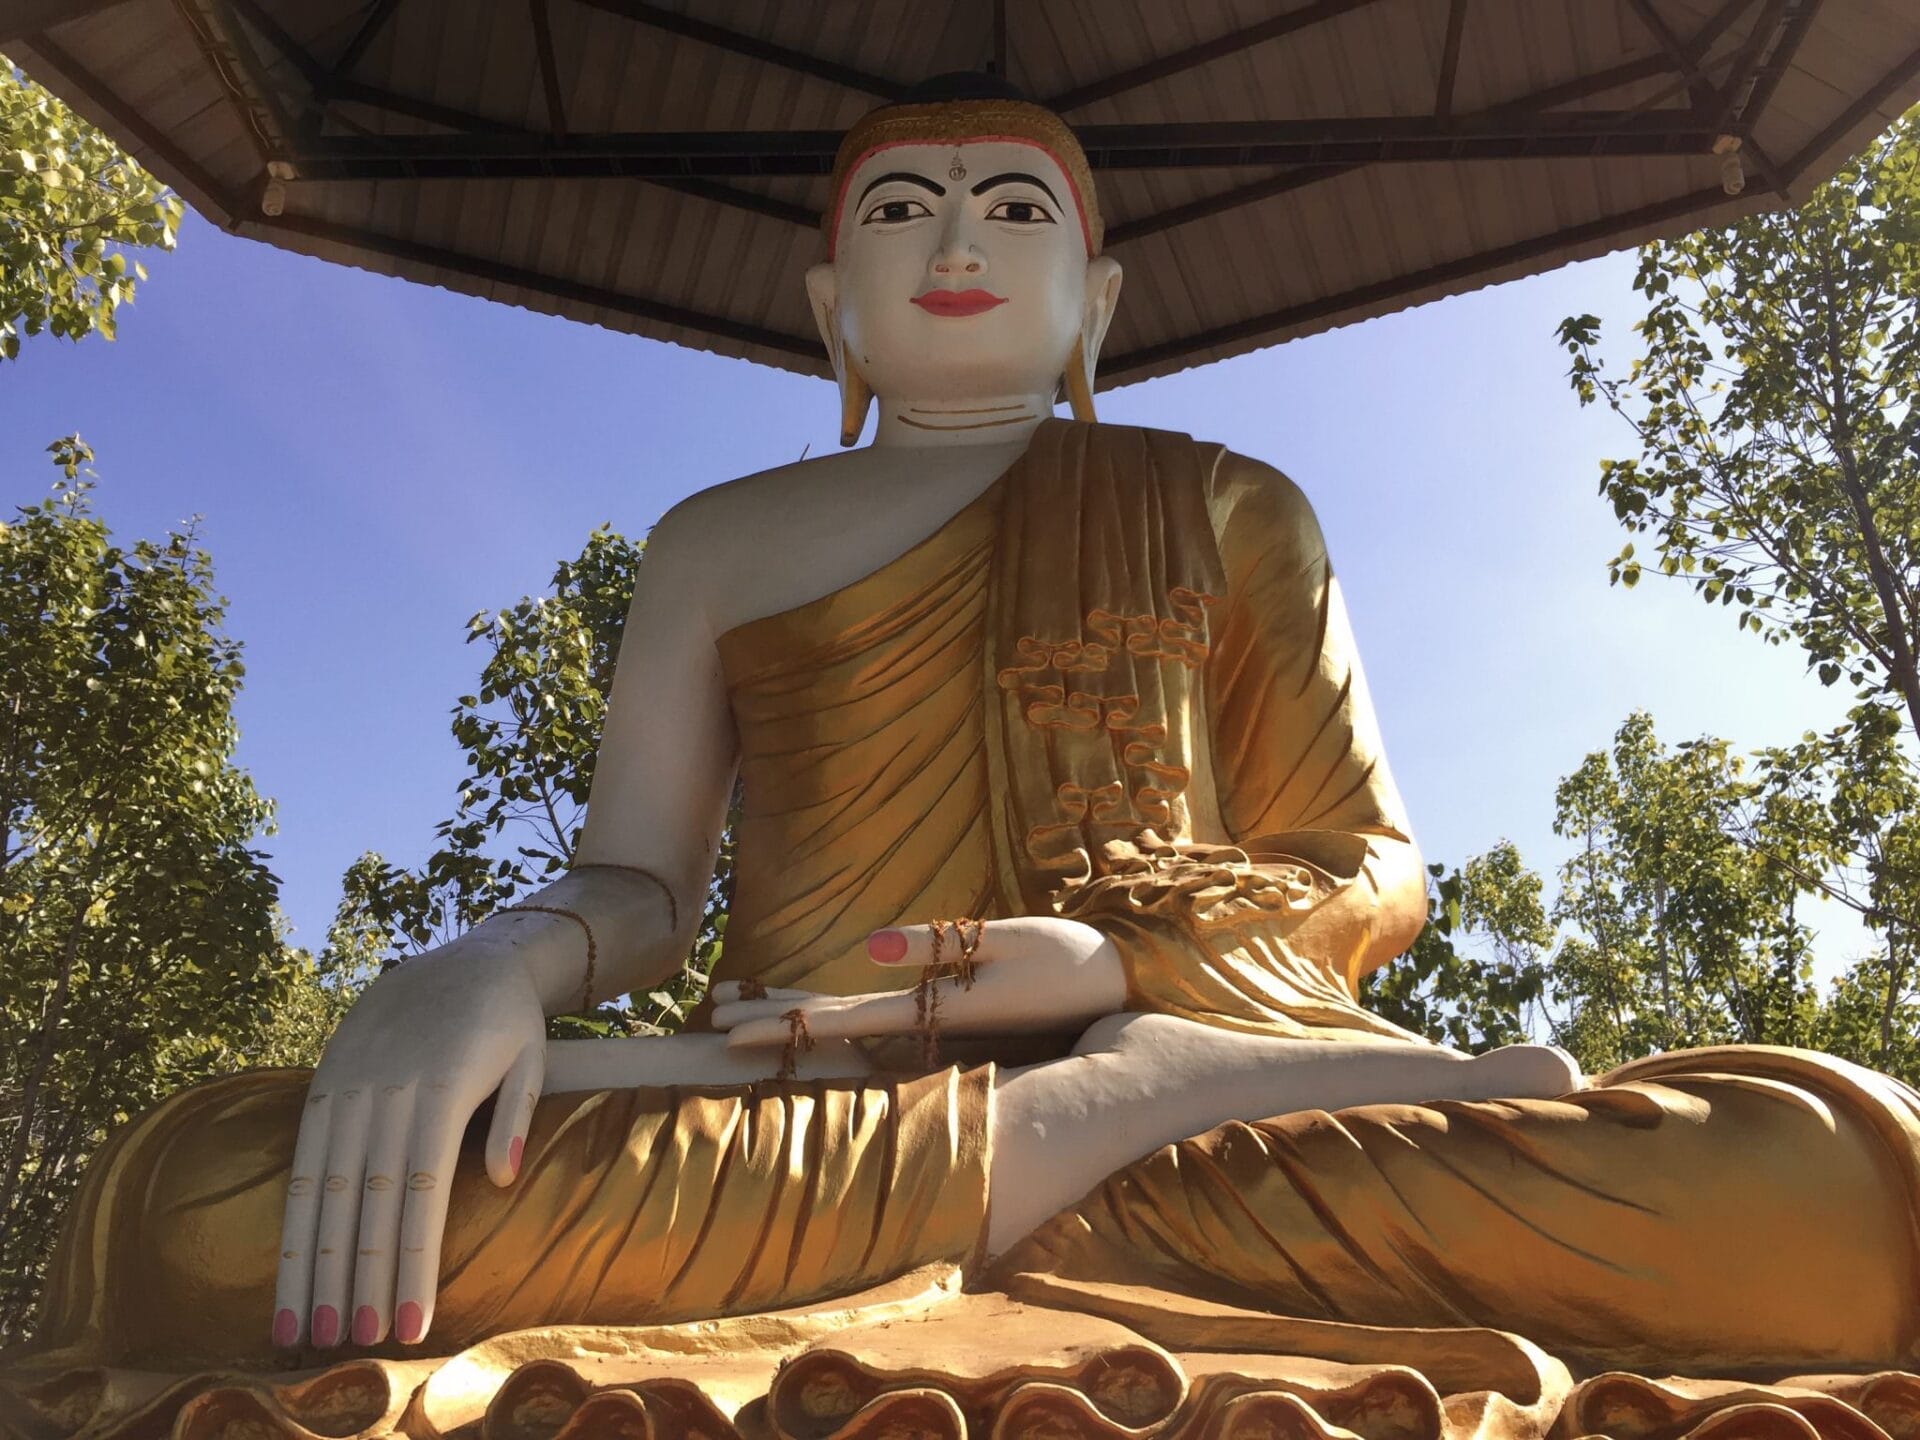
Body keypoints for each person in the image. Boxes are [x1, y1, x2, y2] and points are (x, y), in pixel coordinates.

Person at [8, 77, 1918, 1429]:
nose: (954, 242)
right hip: (780, 1114)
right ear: (828, 310)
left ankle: (1116, 1094)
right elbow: (636, 889)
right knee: (207, 1199)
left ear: (1098, 302)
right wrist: (480, 971)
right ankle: (1074, 1132)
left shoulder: (1233, 504)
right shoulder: (720, 541)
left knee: (1837, 1182)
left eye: (1016, 212)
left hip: (1219, 1086)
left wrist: (1123, 973)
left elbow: (1372, 870)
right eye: (898, 213)